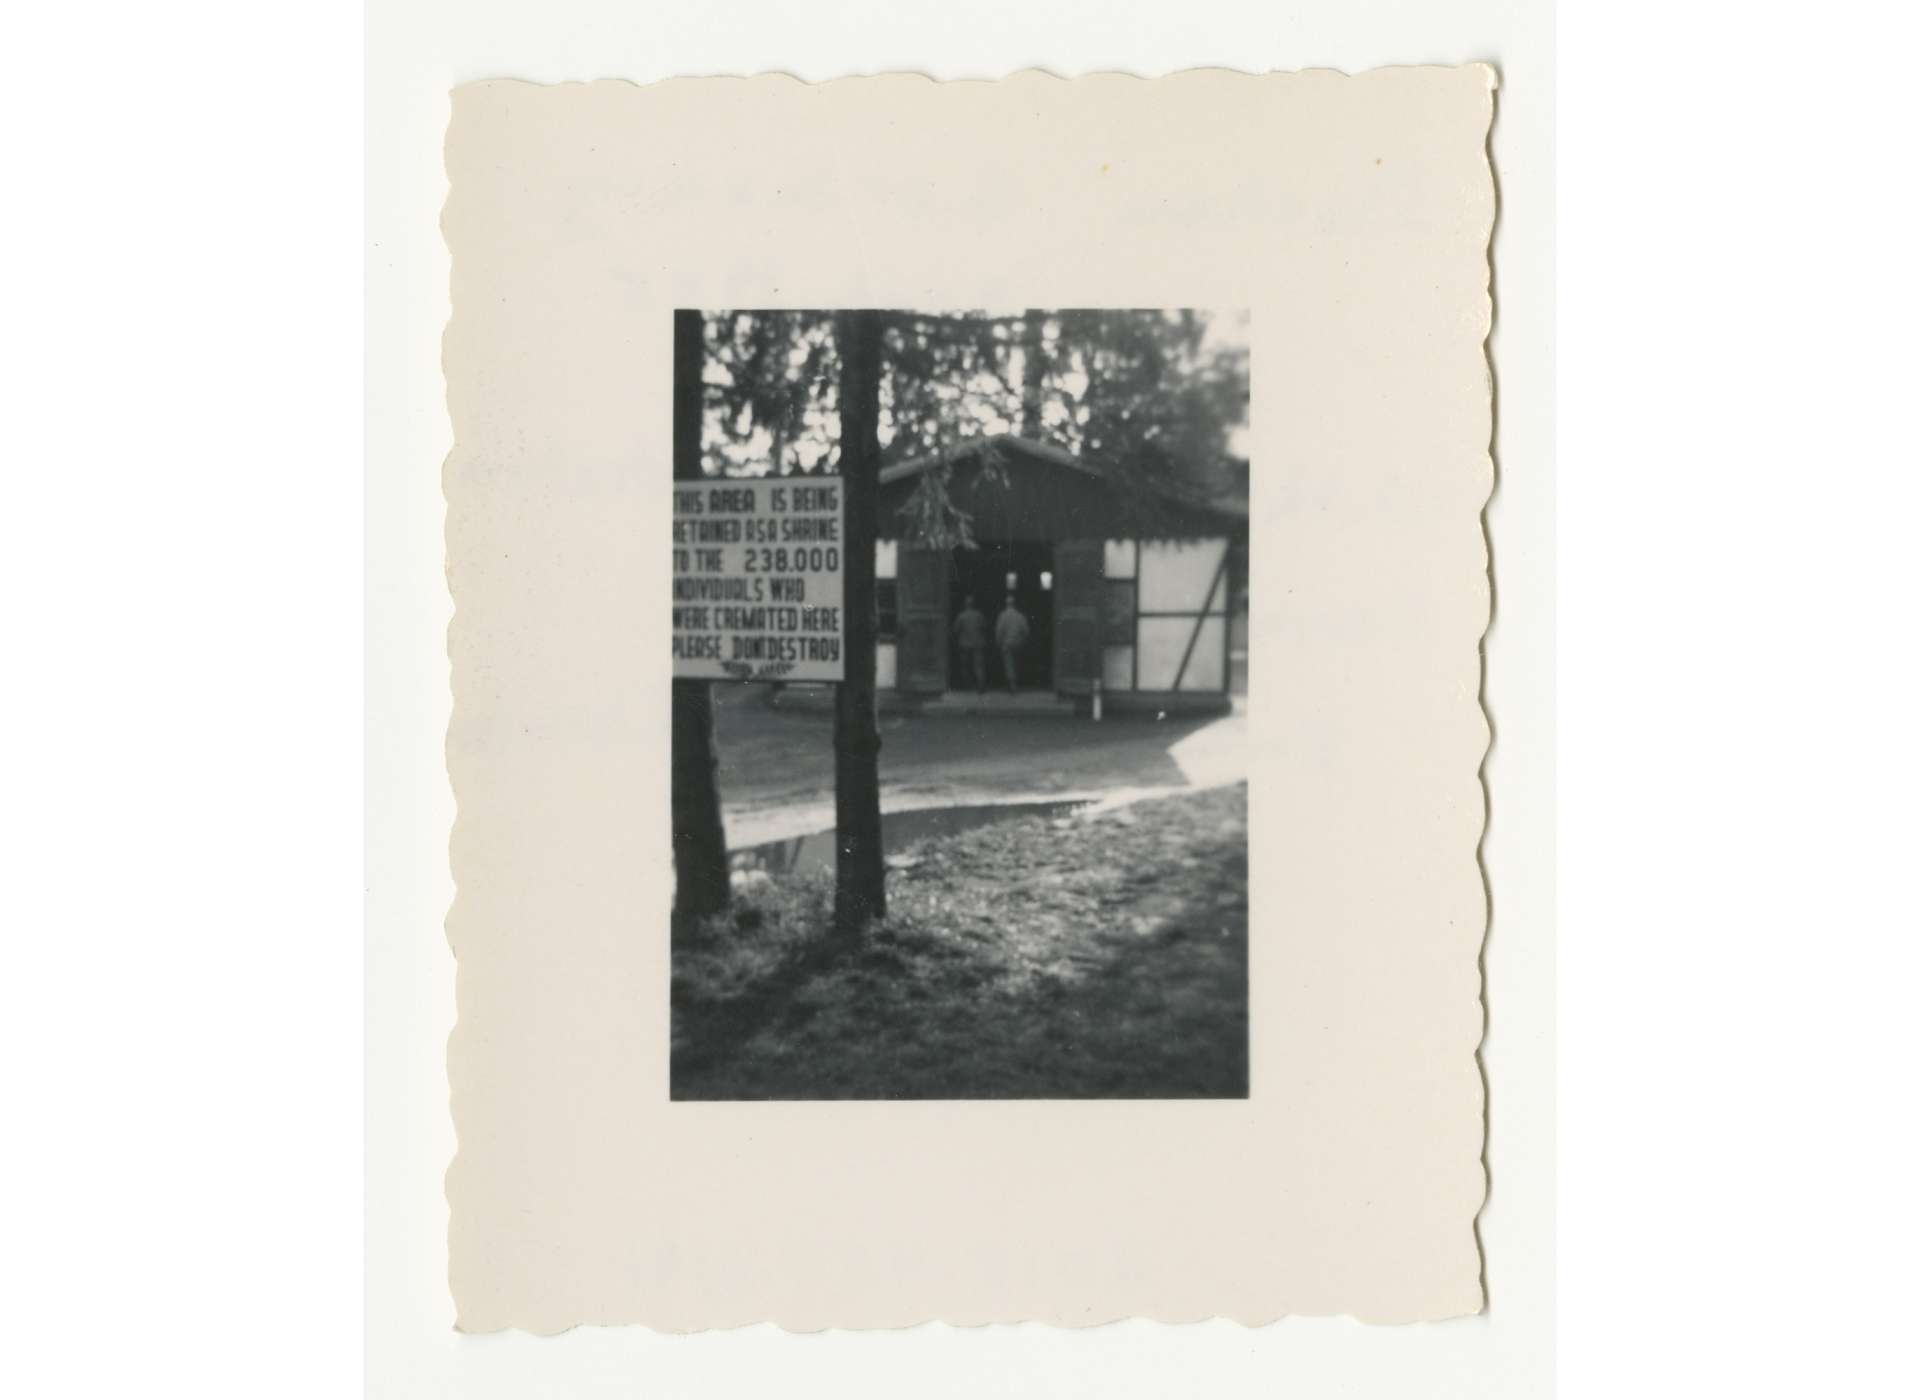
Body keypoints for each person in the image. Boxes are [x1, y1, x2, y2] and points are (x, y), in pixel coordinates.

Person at [993, 594, 1030, 695]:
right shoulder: (1020, 616)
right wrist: (1023, 641)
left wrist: (998, 642)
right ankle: (1016, 683)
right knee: (1017, 664)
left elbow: (998, 631)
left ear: (1006, 604)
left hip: (1006, 643)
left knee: (1009, 664)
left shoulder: (1002, 616)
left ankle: (1012, 685)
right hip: (1018, 643)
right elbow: (1026, 631)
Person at [952, 594, 988, 695]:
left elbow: (955, 630)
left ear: (965, 605)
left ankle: (967, 685)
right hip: (978, 643)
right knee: (979, 665)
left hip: (965, 644)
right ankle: (980, 685)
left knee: (965, 666)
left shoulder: (961, 616)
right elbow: (984, 627)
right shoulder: (979, 615)